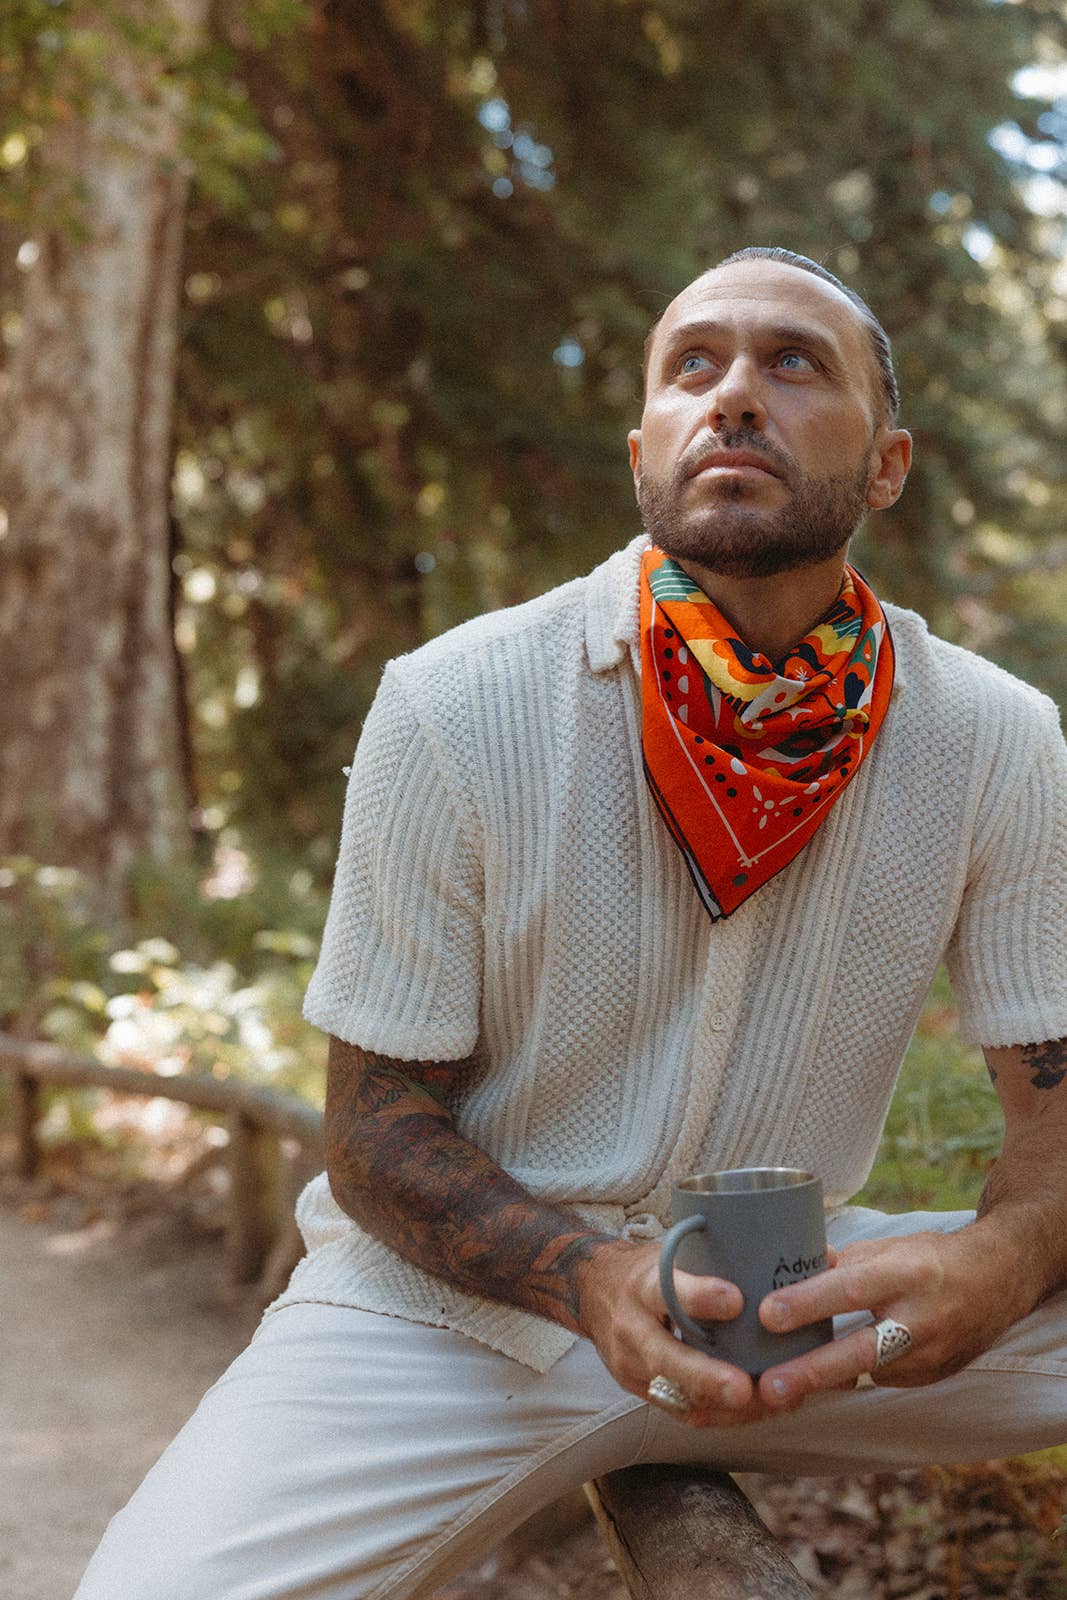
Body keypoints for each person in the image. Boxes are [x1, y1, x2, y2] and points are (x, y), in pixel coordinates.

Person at [74, 246, 1067, 1600]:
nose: (733, 395)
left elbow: (1053, 1125)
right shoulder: (455, 701)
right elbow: (372, 1131)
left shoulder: (995, 738)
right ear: (644, 449)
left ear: (888, 465)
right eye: (692, 365)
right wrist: (593, 1280)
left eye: (793, 363)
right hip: (444, 1331)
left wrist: (1001, 1264)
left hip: (796, 1304)